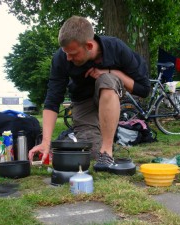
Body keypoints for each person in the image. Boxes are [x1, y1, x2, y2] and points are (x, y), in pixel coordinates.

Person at [28, 16, 150, 172]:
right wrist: (46, 142)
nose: (68, 58)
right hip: (83, 103)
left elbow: (144, 89)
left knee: (107, 80)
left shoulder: (117, 48)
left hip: (109, 96)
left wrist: (113, 71)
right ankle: (83, 138)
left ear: (89, 45)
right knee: (90, 152)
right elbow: (52, 99)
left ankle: (107, 152)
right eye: (66, 53)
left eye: (73, 53)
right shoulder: (61, 58)